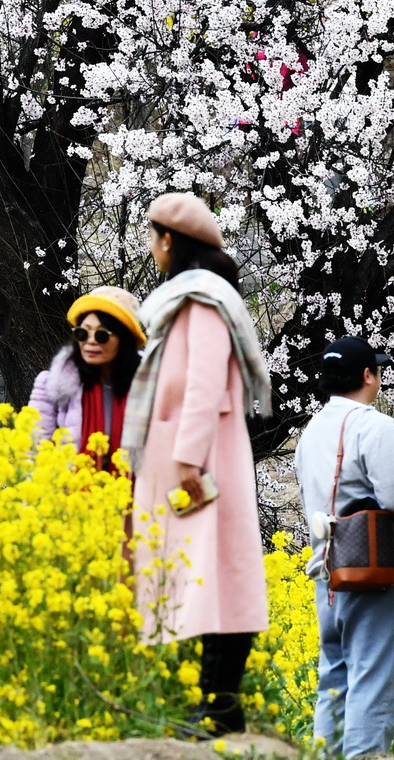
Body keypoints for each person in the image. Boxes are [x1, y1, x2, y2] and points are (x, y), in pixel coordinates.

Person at [121, 191, 272, 736]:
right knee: (203, 580)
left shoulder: (203, 300)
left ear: (169, 240)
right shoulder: (189, 297)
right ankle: (214, 703)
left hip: (201, 464)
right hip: (189, 459)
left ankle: (219, 704)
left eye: (152, 236)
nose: (151, 247)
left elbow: (204, 382)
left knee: (219, 580)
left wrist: (186, 458)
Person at [297, 335, 394, 760]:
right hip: (374, 569)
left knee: (334, 683)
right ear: (368, 375)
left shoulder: (310, 432)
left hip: (327, 570)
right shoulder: (374, 425)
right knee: (374, 683)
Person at [28, 286, 144, 468]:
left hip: (136, 494)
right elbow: (33, 451)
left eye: (101, 335)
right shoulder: (52, 384)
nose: (90, 341)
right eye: (83, 333)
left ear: (124, 339)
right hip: (71, 493)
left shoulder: (148, 386)